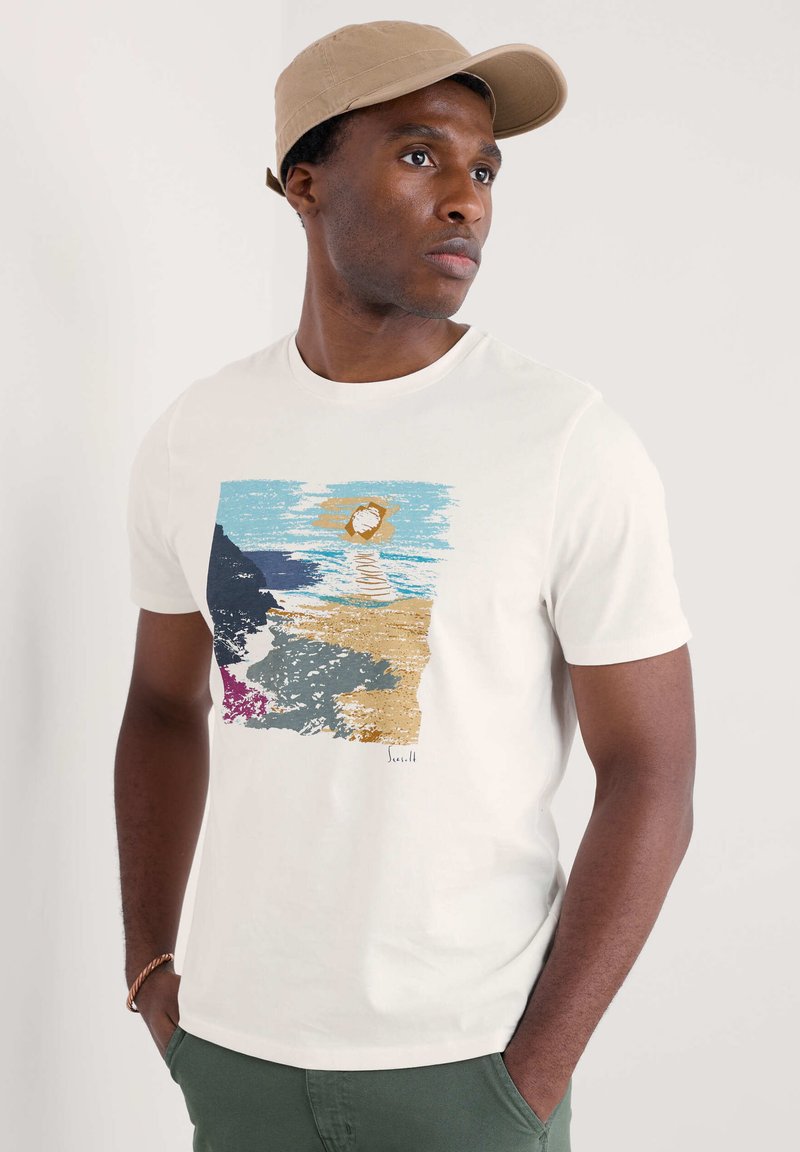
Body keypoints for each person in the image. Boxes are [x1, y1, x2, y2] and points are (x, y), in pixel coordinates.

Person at [115, 20, 696, 1152]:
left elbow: (652, 772)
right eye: (420, 155)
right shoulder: (197, 436)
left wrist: (533, 1072)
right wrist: (150, 967)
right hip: (234, 1056)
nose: (467, 200)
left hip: (467, 1070)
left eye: (485, 169)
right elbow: (158, 705)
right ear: (303, 183)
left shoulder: (564, 439)